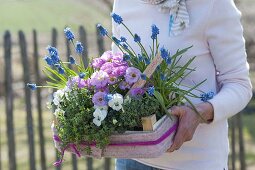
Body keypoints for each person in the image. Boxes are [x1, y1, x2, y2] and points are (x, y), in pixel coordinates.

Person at [111, 0, 253, 170]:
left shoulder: (214, 4)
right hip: (132, 158)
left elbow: (239, 84)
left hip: (196, 162)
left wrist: (198, 113)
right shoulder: (123, 3)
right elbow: (118, 69)